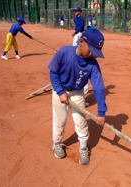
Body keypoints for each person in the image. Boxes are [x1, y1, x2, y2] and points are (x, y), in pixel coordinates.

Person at [48, 29, 107, 165]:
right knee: (60, 120)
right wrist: (60, 92)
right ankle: (57, 142)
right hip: (60, 90)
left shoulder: (93, 64)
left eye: (96, 52)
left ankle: (83, 147)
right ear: (81, 42)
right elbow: (53, 73)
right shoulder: (63, 52)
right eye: (91, 50)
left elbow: (98, 88)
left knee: (81, 121)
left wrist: (101, 111)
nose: (93, 54)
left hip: (77, 92)